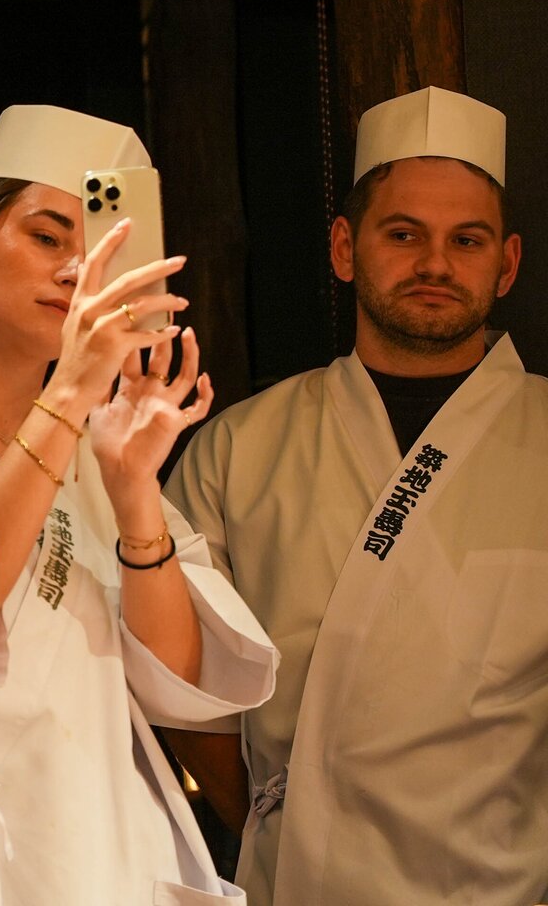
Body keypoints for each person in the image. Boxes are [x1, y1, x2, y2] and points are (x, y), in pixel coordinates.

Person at [0, 104, 277, 906]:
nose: (75, 270)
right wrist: (71, 394)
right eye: (47, 236)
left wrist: (135, 492)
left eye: (98, 252)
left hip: (102, 839)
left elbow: (179, 683)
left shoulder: (101, 453)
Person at [165, 86, 548, 905]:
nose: (436, 264)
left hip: (511, 879)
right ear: (345, 248)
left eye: (467, 240)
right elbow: (183, 690)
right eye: (403, 234)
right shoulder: (239, 446)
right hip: (301, 875)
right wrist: (291, 816)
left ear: (507, 263)